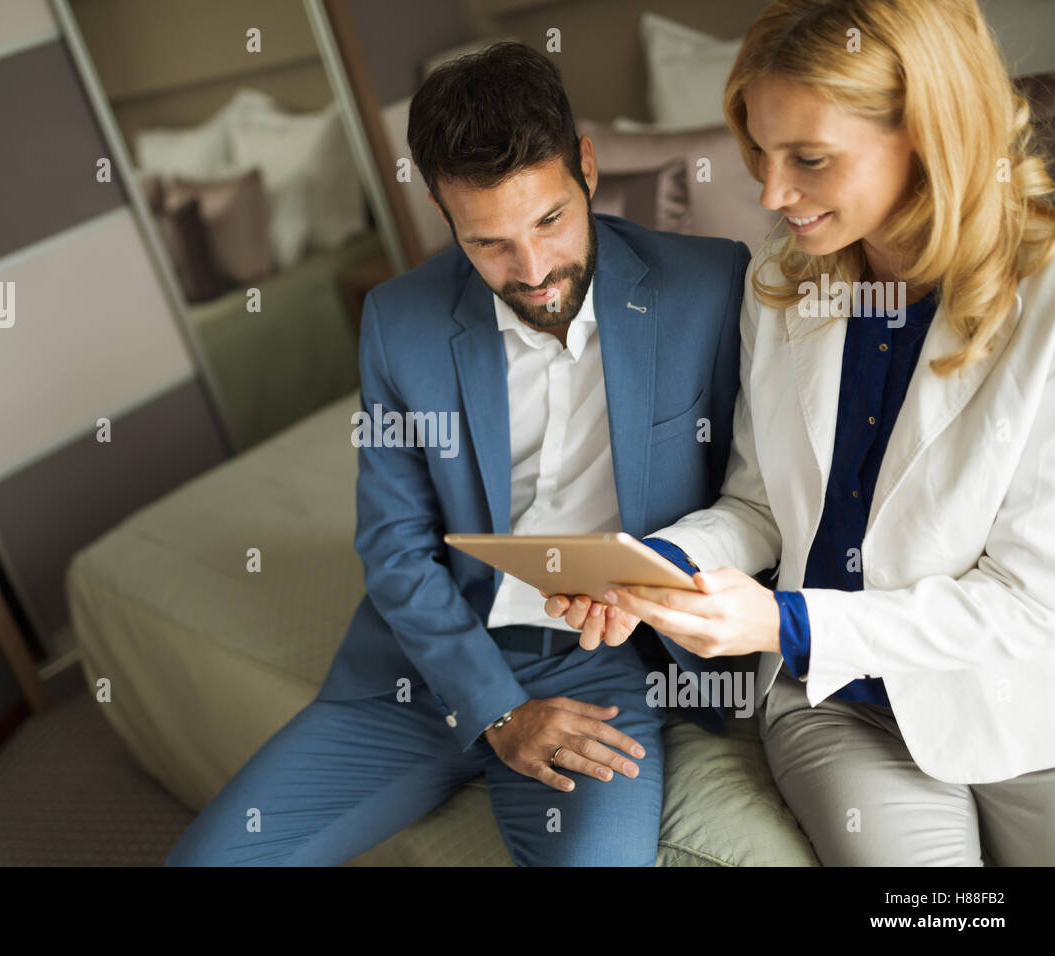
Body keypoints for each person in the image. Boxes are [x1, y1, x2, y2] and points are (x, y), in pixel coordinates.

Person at [166, 41, 749, 866]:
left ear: (585, 165)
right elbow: (393, 544)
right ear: (446, 217)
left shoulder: (710, 284)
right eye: (489, 244)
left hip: (601, 664)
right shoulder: (398, 322)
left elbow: (750, 495)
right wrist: (498, 712)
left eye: (549, 219)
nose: (535, 270)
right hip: (421, 668)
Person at [545, 0, 1055, 866]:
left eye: (809, 160)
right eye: (762, 153)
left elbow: (1031, 605)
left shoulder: (1042, 304)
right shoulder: (784, 281)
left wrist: (787, 620)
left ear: (930, 135)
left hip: (1018, 694)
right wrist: (660, 568)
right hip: (840, 704)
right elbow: (761, 503)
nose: (772, 195)